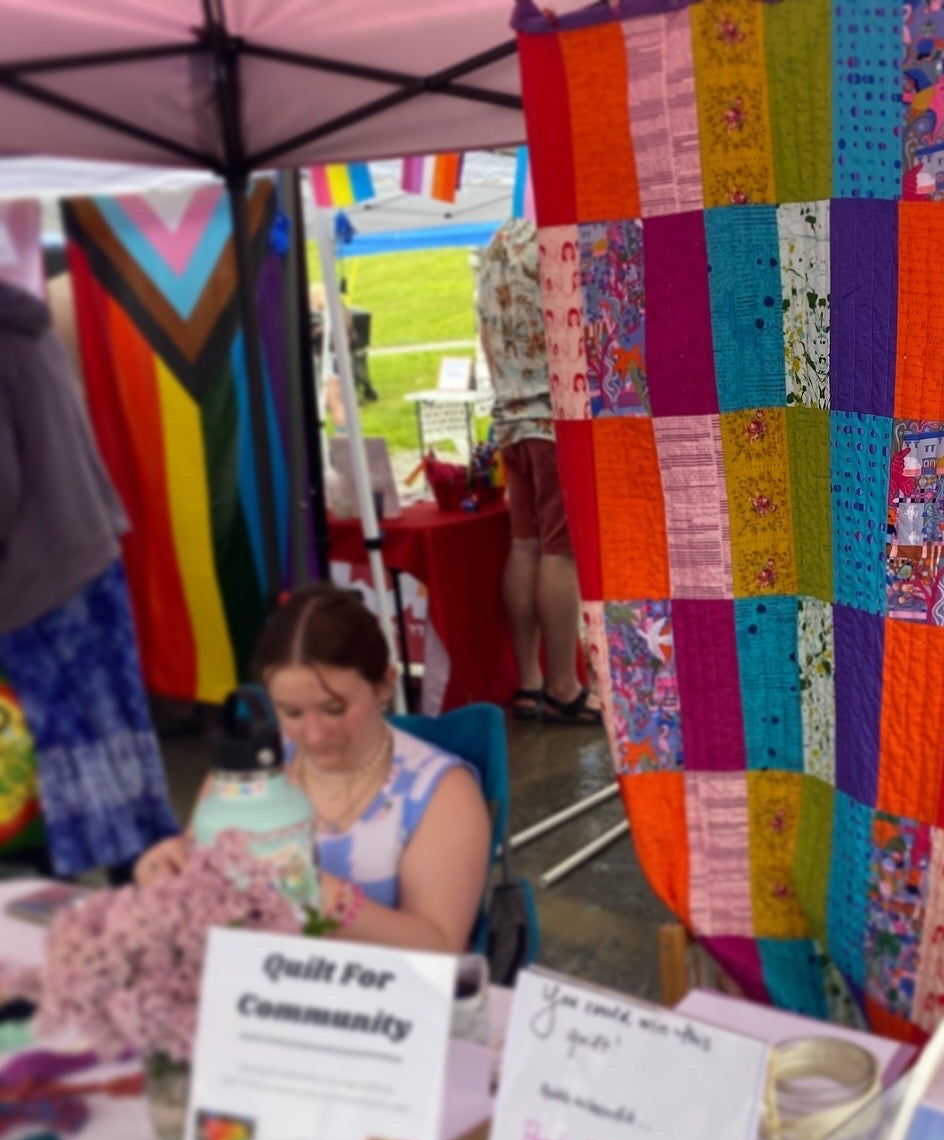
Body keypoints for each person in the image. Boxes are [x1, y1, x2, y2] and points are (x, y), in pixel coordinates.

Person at [136, 585, 491, 955]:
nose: (314, 735)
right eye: (291, 712)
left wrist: (329, 901)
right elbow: (202, 905)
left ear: (385, 684)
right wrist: (169, 880)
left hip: (376, 988)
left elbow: (442, 948)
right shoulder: (250, 776)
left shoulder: (439, 792)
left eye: (334, 709)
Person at [0, 278, 179, 877]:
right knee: (116, 763)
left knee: (43, 784)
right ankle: (147, 906)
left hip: (33, 590)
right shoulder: (21, 320)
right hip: (80, 558)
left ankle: (72, 919)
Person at [476, 218, 601, 724]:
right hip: (555, 417)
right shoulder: (560, 237)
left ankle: (529, 681)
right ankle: (565, 686)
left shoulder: (499, 242)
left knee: (524, 545)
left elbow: (485, 333)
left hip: (510, 416)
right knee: (559, 552)